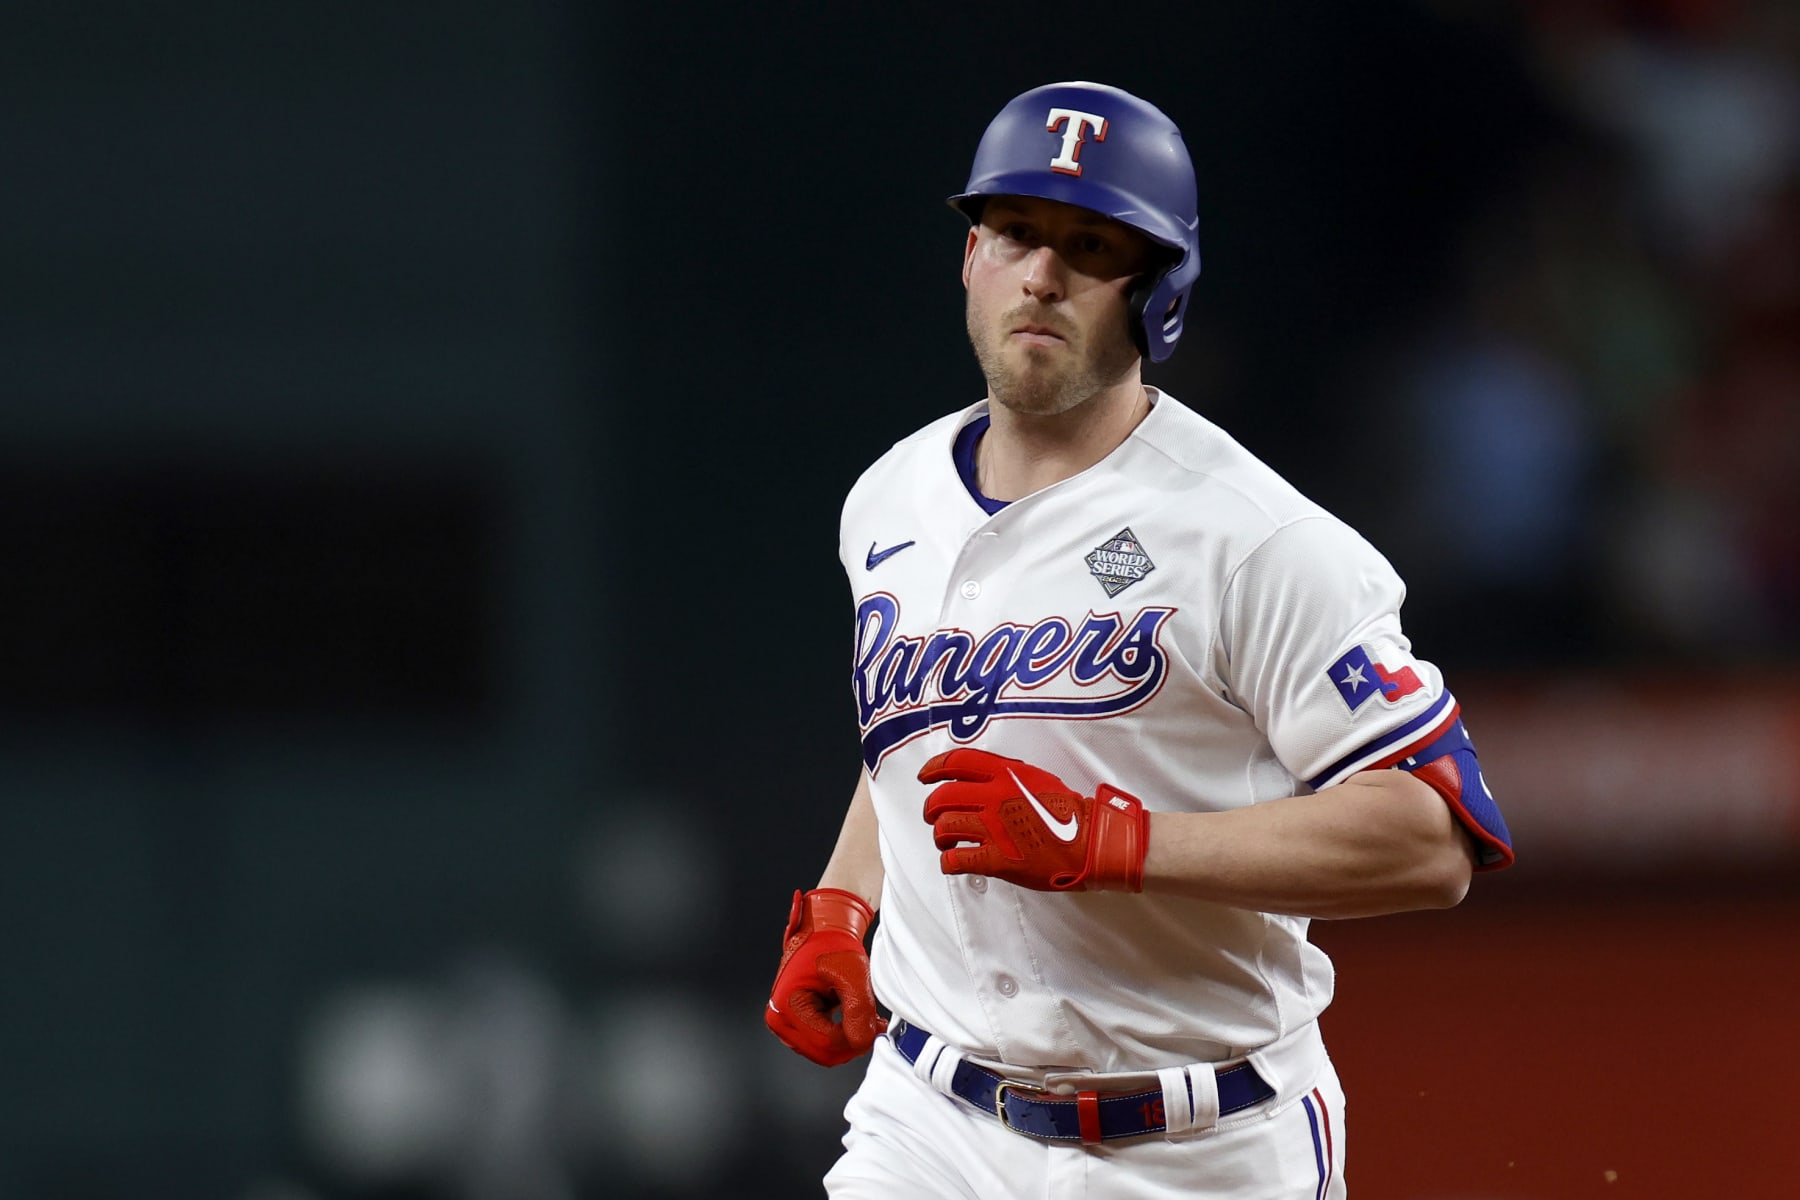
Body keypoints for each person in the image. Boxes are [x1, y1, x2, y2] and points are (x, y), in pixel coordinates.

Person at [763, 80, 1514, 1199]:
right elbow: (916, 737)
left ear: (1158, 294)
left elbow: (1433, 838)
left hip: (1194, 1141)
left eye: (1091, 245)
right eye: (1015, 232)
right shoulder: (890, 497)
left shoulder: (1256, 539)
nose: (1043, 274)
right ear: (971, 255)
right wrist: (842, 904)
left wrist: (1120, 843)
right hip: (928, 1121)